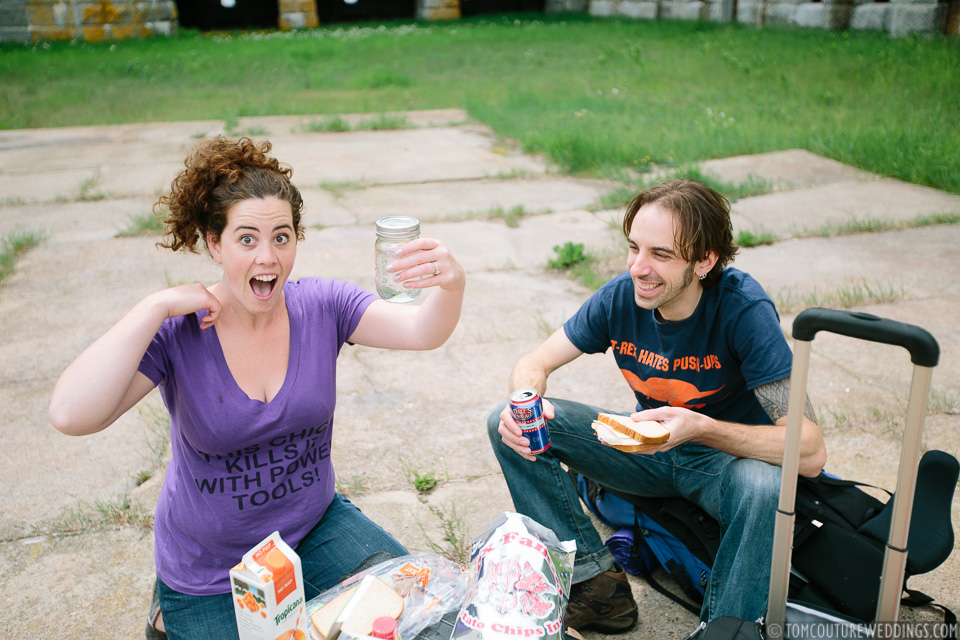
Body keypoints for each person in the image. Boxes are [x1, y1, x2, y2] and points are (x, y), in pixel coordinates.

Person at [48, 136, 466, 640]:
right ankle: (166, 613)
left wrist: (451, 285)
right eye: (247, 239)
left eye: (282, 237)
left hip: (313, 530)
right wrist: (153, 307)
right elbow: (71, 415)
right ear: (214, 243)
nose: (268, 257)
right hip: (211, 572)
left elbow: (423, 331)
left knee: (434, 624)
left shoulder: (323, 305)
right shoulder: (179, 332)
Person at [487, 179, 826, 632]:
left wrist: (701, 428)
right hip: (648, 450)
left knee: (766, 485)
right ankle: (596, 586)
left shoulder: (742, 309)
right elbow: (536, 361)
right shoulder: (619, 297)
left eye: (661, 255)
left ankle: (728, 628)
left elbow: (810, 450)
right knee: (505, 424)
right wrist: (525, 405)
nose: (638, 268)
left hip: (725, 464)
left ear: (705, 260)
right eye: (634, 248)